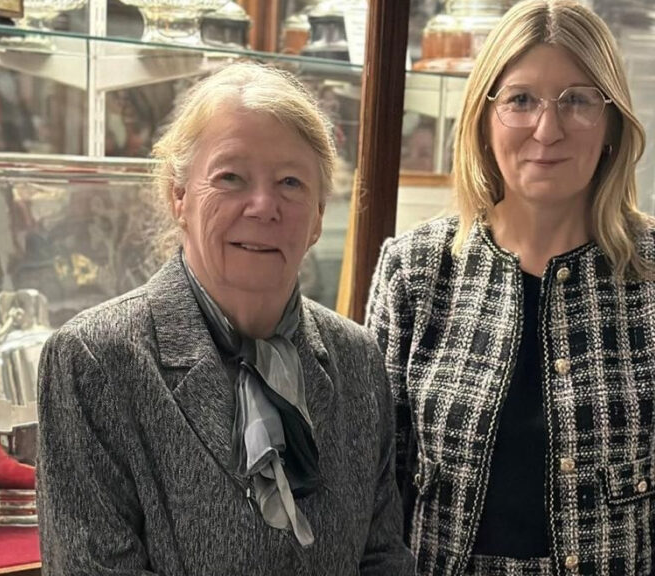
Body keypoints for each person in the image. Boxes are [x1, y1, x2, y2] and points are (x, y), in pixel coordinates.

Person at [367, 1, 655, 575]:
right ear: (484, 119)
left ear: (612, 122)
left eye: (577, 101)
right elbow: (375, 488)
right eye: (520, 100)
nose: (548, 129)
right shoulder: (415, 269)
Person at [36, 62, 415, 576]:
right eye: (231, 177)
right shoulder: (94, 360)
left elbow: (383, 558)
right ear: (179, 196)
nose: (263, 206)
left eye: (290, 182)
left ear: (319, 216)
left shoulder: (357, 358)